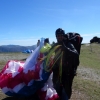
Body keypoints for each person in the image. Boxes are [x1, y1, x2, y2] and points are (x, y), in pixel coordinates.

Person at [52, 28, 79, 100]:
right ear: (56, 37)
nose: (60, 37)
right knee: (56, 88)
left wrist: (66, 49)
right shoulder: (56, 45)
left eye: (61, 35)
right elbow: (49, 53)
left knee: (65, 91)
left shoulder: (68, 44)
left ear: (63, 36)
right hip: (57, 71)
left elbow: (76, 54)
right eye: (58, 36)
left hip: (67, 73)